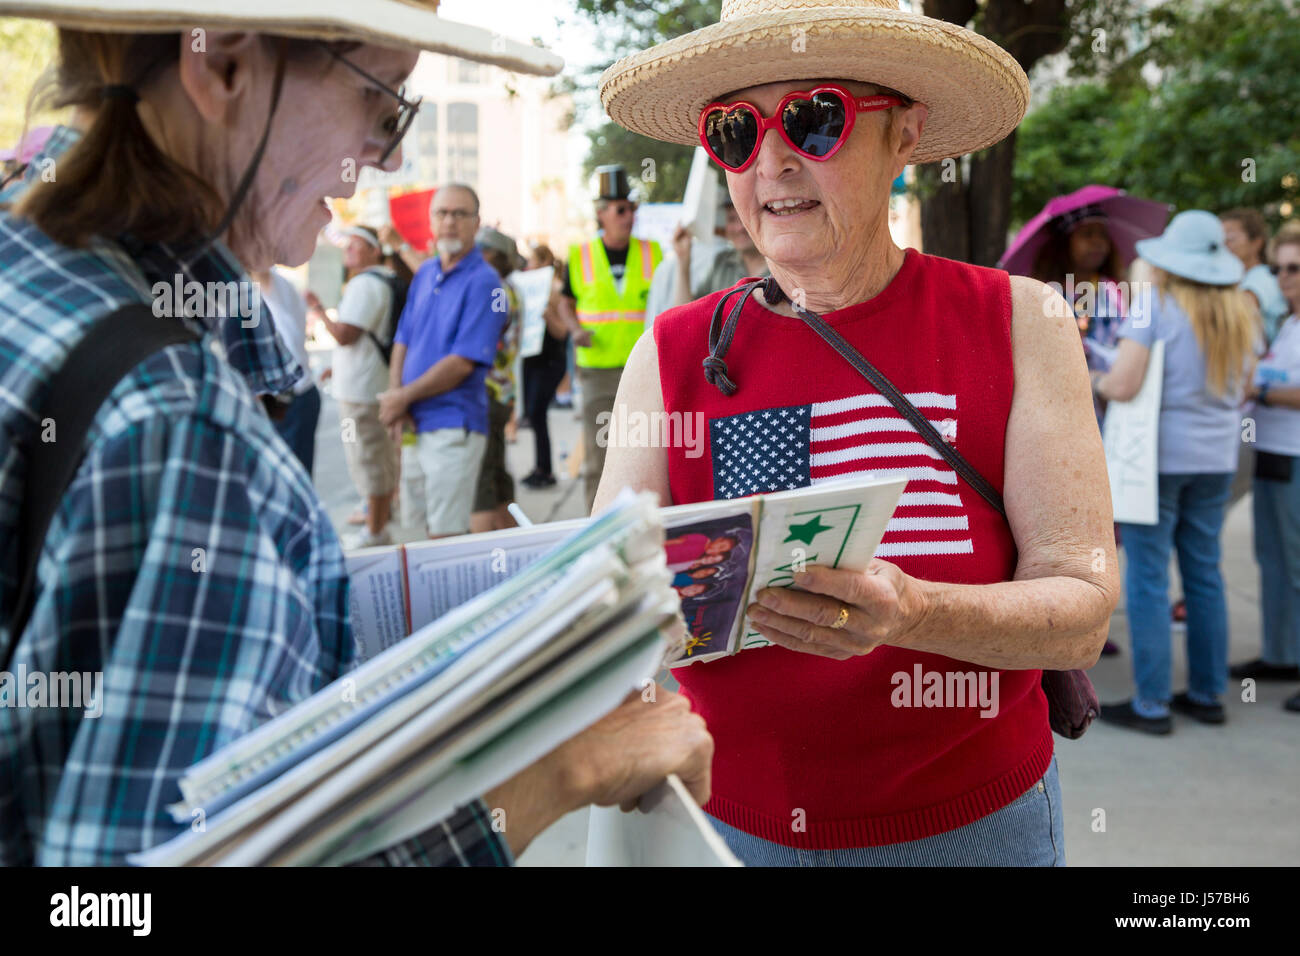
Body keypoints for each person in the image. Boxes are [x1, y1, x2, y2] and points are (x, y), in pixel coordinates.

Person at [0, 1, 711, 866]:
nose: (393, 155)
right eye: (386, 102)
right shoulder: (183, 419)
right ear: (221, 67)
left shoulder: (34, 271)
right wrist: (560, 768)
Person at [596, 0, 1120, 866]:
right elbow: (608, 593)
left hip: (968, 828)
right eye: (734, 130)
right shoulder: (670, 351)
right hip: (727, 824)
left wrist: (912, 611)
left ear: (903, 133)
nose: (771, 159)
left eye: (814, 116)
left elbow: (1079, 612)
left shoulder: (1022, 321)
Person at [1091, 211, 1258, 734]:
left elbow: (1123, 385)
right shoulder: (1243, 313)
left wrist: (1095, 375)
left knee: (1146, 579)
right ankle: (1208, 695)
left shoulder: (1155, 307)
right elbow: (1247, 387)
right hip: (1216, 460)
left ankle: (1152, 705)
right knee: (1205, 573)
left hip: (1156, 463)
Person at [377, 184, 502, 539]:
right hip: (416, 422)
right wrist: (394, 397)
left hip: (453, 423)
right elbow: (403, 339)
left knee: (444, 539)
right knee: (414, 533)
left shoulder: (486, 283)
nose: (450, 221)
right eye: (442, 213)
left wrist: (401, 398)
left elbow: (463, 362)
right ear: (431, 220)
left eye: (460, 214)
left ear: (477, 223)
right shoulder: (426, 273)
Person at [556, 165, 663, 511]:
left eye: (631, 208)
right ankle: (596, 534)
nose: (628, 215)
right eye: (619, 209)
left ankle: (642, 527)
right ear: (601, 213)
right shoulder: (579, 255)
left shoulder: (655, 252)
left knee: (648, 456)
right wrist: (573, 329)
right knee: (599, 459)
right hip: (598, 373)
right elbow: (564, 303)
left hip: (645, 368)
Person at [1234, 223, 1300, 712]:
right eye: (1279, 268)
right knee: (1274, 560)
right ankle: (1282, 654)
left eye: (1294, 268)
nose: (1284, 278)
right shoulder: (1289, 324)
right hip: (1273, 454)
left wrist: (1260, 391)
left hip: (1294, 456)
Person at [308, 225, 398, 548]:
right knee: (377, 458)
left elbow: (347, 335)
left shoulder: (364, 284)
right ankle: (379, 522)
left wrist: (318, 310)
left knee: (368, 460)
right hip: (368, 384)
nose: (348, 250)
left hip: (360, 392)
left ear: (374, 250)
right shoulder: (381, 281)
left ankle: (375, 531)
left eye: (356, 245)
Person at [471, 225, 523, 533]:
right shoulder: (505, 287)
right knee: (497, 476)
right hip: (500, 393)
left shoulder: (497, 290)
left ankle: (487, 559)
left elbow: (489, 335)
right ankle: (515, 544)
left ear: (490, 254)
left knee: (482, 483)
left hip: (487, 393)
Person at [253, 266, 322, 476]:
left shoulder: (269, 283)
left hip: (291, 398)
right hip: (289, 397)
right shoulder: (270, 286)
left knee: (290, 480)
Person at [519, 245, 570, 488]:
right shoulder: (530, 290)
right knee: (534, 415)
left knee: (537, 412)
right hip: (532, 360)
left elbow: (562, 332)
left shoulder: (556, 290)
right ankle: (541, 467)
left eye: (533, 261)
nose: (529, 266)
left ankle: (546, 470)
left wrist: (547, 315)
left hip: (549, 362)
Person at [1222, 208, 1290, 344]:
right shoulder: (1243, 278)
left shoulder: (1264, 275)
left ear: (1256, 243)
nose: (1223, 245)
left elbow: (1235, 313)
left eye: (1230, 239)